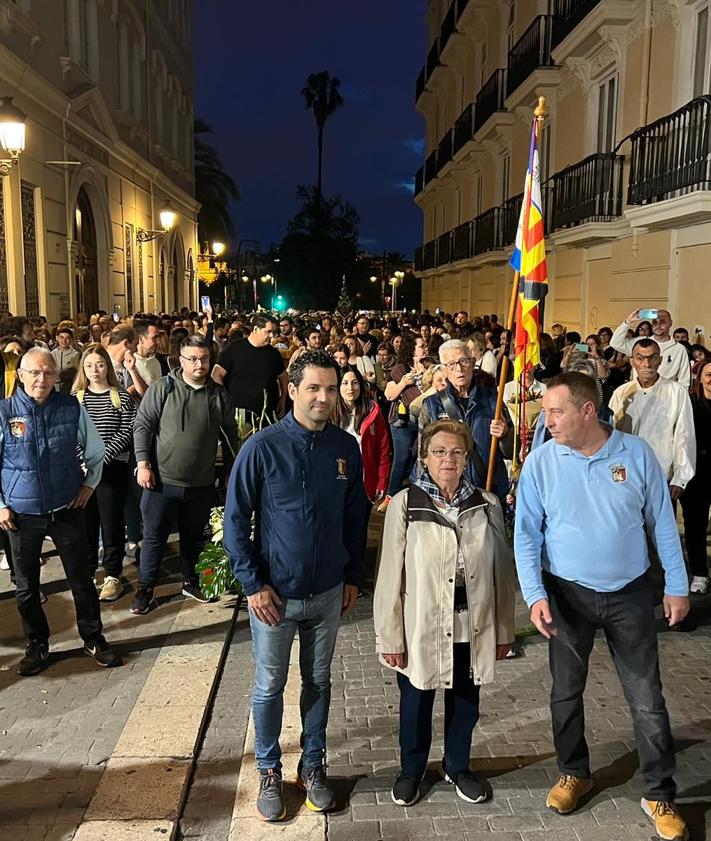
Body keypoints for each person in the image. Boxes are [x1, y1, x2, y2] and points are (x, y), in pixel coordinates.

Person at [514, 372, 689, 841]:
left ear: (587, 410)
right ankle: (574, 771)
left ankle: (658, 792)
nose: (546, 420)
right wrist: (534, 594)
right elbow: (526, 534)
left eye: (556, 411)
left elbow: (662, 526)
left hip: (630, 594)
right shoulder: (541, 461)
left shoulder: (636, 454)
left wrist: (677, 584)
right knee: (565, 693)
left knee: (647, 699)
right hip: (565, 595)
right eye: (545, 411)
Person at [224, 350, 368, 823]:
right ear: (292, 390)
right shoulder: (262, 447)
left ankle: (313, 763)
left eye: (330, 389)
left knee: (319, 681)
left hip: (327, 593)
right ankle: (268, 768)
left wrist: (352, 576)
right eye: (314, 388)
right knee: (269, 685)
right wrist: (253, 584)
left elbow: (355, 517)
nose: (324, 397)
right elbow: (234, 521)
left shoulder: (345, 449)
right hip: (274, 598)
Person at [374, 419, 514, 807]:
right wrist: (390, 636)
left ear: (467, 457)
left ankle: (458, 766)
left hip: (473, 624)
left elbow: (502, 572)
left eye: (456, 451)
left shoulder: (486, 505)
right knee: (416, 701)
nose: (447, 459)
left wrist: (504, 632)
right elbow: (389, 575)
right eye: (439, 451)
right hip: (422, 625)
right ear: (424, 457)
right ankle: (411, 771)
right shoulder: (406, 503)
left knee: (466, 702)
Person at [0, 348, 122, 675]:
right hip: (21, 515)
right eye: (35, 373)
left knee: (81, 580)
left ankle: (93, 638)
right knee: (26, 586)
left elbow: (96, 452)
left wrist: (88, 485)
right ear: (21, 375)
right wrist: (1, 505)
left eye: (48, 373)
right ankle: (36, 645)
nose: (42, 379)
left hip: (66, 508)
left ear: (57, 375)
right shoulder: (5, 412)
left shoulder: (71, 407)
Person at [131, 336, 238, 615]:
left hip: (200, 483)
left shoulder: (218, 395)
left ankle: (190, 581)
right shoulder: (163, 388)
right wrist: (144, 463)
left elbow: (230, 438)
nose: (199, 364)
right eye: (192, 359)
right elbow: (142, 425)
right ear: (181, 360)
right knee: (154, 537)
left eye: (204, 358)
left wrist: (230, 473)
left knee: (194, 537)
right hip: (161, 481)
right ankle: (145, 589)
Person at [73, 344, 137, 600]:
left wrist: (101, 457)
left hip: (111, 471)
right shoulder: (76, 398)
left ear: (107, 367)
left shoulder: (119, 396)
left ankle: (112, 574)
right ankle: (87, 572)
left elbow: (128, 429)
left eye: (99, 364)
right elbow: (71, 433)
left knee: (111, 524)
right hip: (83, 473)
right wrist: (84, 459)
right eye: (89, 365)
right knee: (86, 525)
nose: (94, 370)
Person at [418, 340, 509, 502]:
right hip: (448, 493)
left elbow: (511, 451)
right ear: (444, 369)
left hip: (488, 491)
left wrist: (505, 435)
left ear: (473, 363)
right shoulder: (432, 405)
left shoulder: (493, 400)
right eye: (452, 364)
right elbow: (422, 454)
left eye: (464, 361)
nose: (459, 369)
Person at [608, 339, 695, 502]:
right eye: (640, 358)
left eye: (652, 358)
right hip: (625, 477)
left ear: (660, 360)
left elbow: (684, 435)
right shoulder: (621, 393)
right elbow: (611, 437)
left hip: (661, 476)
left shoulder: (676, 392)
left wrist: (680, 478)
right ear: (632, 362)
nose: (647, 364)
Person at [212, 314, 287, 423]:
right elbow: (216, 374)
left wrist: (283, 397)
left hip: (267, 414)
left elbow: (283, 376)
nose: (272, 336)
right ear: (256, 329)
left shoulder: (273, 353)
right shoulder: (234, 348)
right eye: (268, 332)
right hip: (240, 415)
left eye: (274, 332)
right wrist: (224, 400)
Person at [334, 368, 392, 507]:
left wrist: (382, 480)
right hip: (335, 480)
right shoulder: (329, 412)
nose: (350, 388)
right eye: (345, 383)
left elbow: (383, 450)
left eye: (355, 383)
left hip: (363, 480)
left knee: (360, 524)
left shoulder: (373, 411)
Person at [681, 358, 711, 594]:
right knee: (695, 525)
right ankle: (699, 573)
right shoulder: (689, 404)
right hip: (697, 469)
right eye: (709, 374)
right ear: (700, 378)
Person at [610, 309, 691, 388]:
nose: (658, 325)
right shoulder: (640, 342)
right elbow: (615, 343)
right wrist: (628, 321)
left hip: (667, 397)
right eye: (655, 322)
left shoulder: (679, 349)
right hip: (640, 394)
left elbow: (684, 381)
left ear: (670, 323)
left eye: (662, 322)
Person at [107, 327, 149, 397]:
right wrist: (127, 393)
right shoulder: (100, 362)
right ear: (126, 343)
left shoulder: (128, 363)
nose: (136, 350)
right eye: (135, 344)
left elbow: (146, 395)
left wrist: (132, 370)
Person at [133, 320, 162, 387]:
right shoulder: (129, 363)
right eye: (154, 338)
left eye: (158, 338)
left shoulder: (156, 362)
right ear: (140, 339)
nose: (158, 342)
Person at [51, 327, 80, 394]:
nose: (64, 340)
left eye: (67, 338)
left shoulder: (75, 355)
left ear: (71, 339)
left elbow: (77, 373)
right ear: (57, 338)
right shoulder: (52, 354)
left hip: (68, 388)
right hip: (54, 389)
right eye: (61, 337)